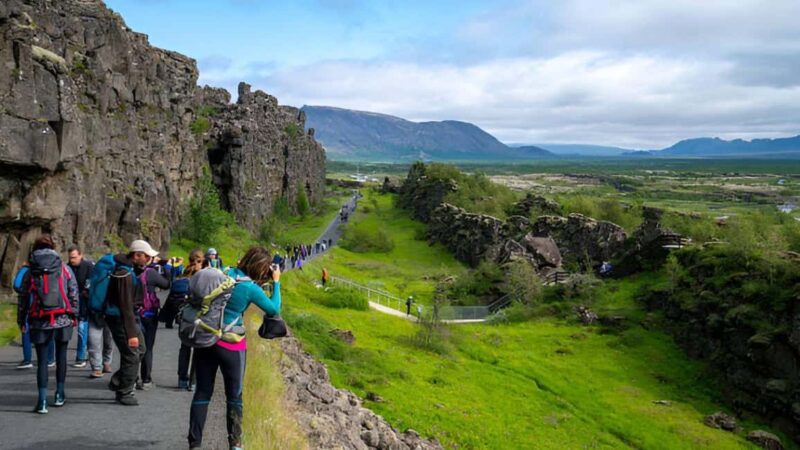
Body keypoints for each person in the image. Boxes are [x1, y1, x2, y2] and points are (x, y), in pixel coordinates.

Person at [188, 247, 281, 450]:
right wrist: (276, 281)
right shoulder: (250, 288)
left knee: (203, 392)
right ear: (262, 268)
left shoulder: (225, 273)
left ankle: (194, 444)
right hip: (232, 344)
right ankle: (235, 444)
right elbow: (274, 308)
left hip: (206, 337)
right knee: (234, 395)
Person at [17, 235, 79, 414]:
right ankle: (59, 394)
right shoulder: (63, 267)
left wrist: (22, 320)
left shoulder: (31, 270)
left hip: (39, 320)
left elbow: (23, 298)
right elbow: (73, 292)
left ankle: (42, 401)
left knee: (42, 361)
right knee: (61, 357)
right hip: (63, 318)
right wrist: (74, 314)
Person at [106, 239, 155, 406]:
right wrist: (131, 333)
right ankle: (125, 391)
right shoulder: (123, 273)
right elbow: (125, 305)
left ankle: (119, 381)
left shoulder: (129, 270)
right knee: (132, 353)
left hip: (128, 317)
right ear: (137, 255)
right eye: (147, 257)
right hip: (121, 319)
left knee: (141, 349)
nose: (149, 260)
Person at [137, 256, 172, 391]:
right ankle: (146, 379)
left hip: (133, 315)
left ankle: (131, 379)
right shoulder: (150, 273)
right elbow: (167, 284)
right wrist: (167, 268)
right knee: (148, 347)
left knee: (133, 347)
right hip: (149, 314)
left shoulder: (128, 271)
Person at [13, 263, 55, 370]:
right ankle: (50, 359)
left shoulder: (26, 270)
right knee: (49, 330)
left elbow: (17, 285)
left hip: (30, 305)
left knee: (26, 329)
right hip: (47, 305)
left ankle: (27, 359)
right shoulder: (52, 268)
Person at [67, 246, 94, 368]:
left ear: (80, 255)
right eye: (70, 257)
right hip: (71, 302)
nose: (72, 260)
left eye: (74, 257)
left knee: (82, 330)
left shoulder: (88, 266)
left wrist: (85, 290)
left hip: (85, 302)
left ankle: (80, 357)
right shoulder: (67, 268)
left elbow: (91, 280)